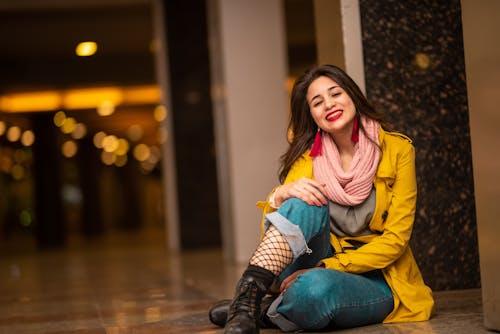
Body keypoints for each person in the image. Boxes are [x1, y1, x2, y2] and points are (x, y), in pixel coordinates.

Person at [208, 64, 434, 333]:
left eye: (335, 94)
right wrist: (279, 195)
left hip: (376, 279)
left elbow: (396, 240)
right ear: (312, 115)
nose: (329, 104)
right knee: (301, 198)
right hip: (314, 256)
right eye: (317, 102)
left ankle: (265, 312)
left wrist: (328, 267)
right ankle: (247, 299)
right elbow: (286, 221)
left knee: (313, 291)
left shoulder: (398, 150)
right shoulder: (308, 157)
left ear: (352, 95)